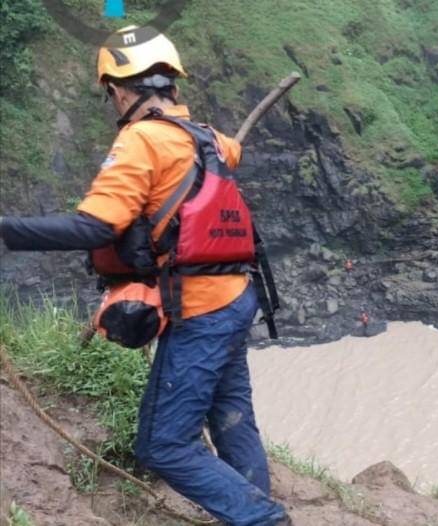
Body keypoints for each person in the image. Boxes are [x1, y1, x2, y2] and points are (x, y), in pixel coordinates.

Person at [0, 26, 288, 525]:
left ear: (118, 88)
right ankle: (252, 511)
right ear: (172, 85)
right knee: (231, 417)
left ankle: (262, 520)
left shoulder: (141, 141)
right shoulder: (208, 138)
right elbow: (230, 157)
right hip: (239, 296)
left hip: (200, 309)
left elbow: (94, 225)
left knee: (163, 444)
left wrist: (6, 231)